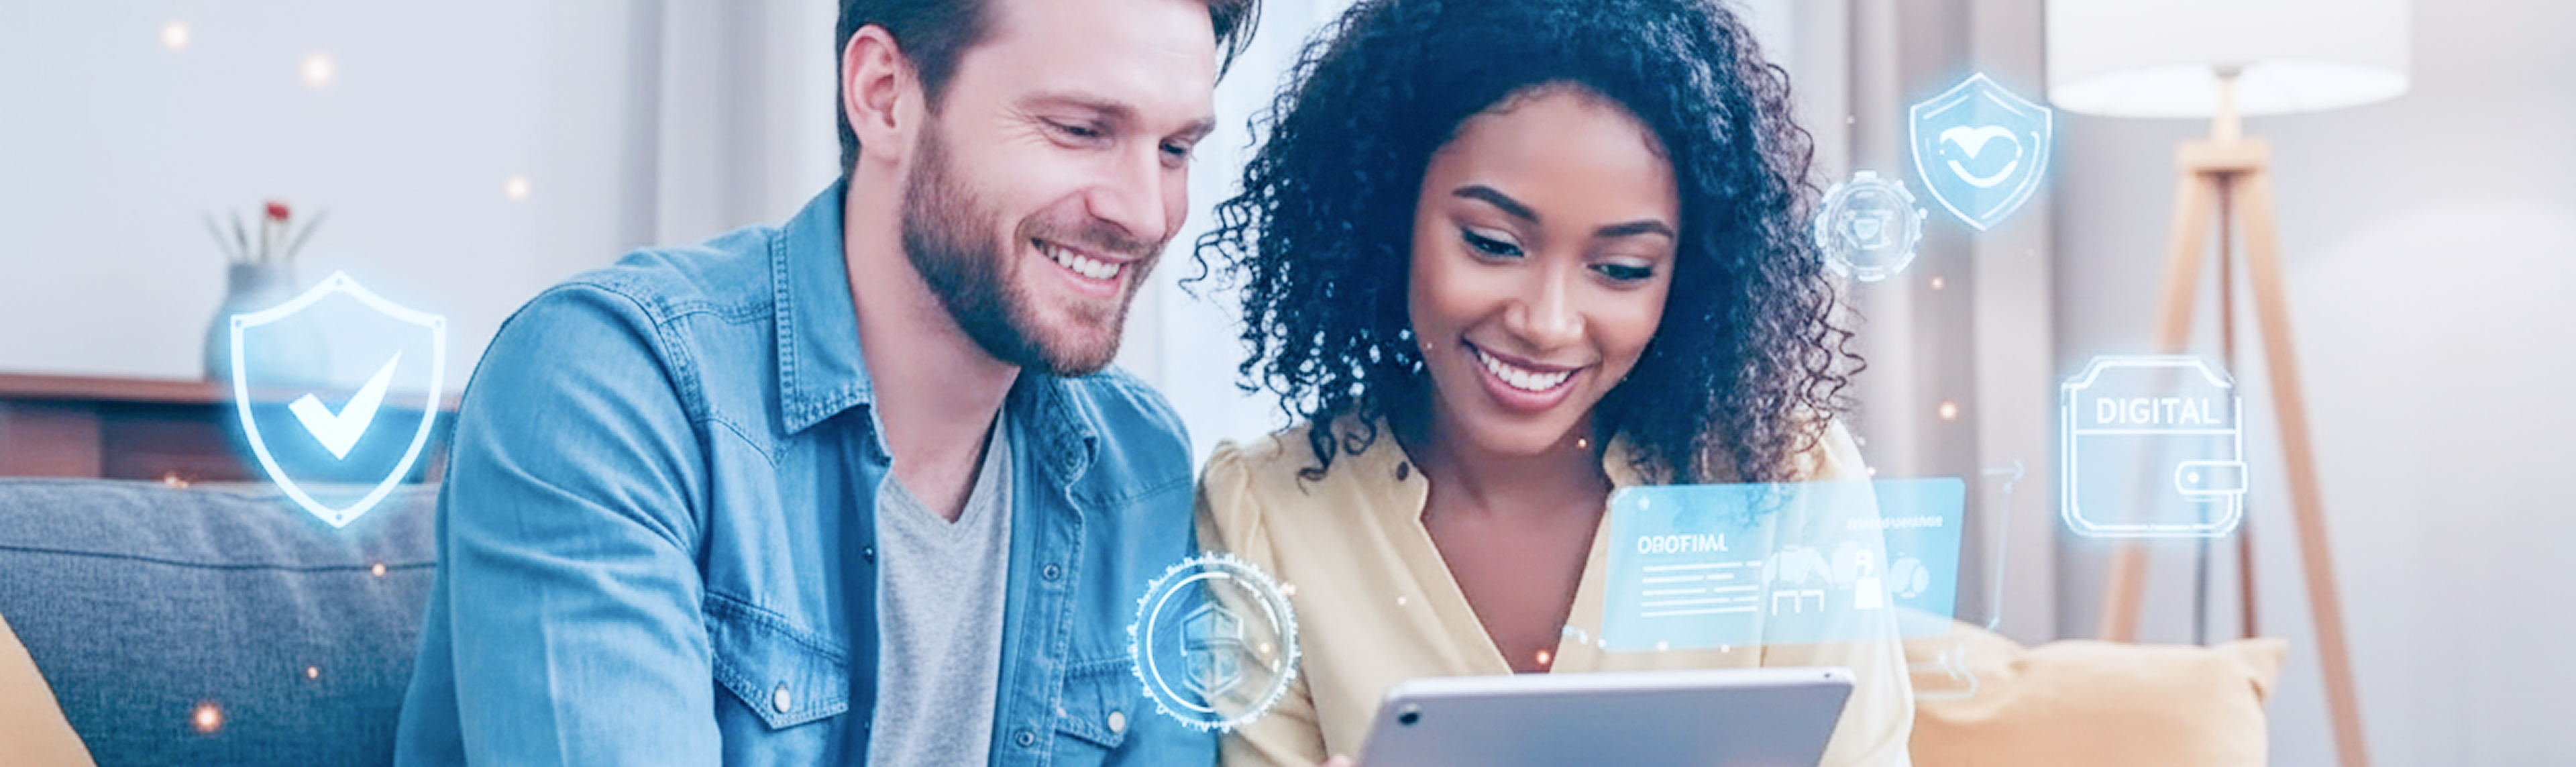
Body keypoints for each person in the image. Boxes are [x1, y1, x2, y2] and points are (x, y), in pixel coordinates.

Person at [395, 0, 1258, 764]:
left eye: (1175, 149)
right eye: (1079, 129)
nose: (1146, 213)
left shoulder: (1136, 465)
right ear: (884, 95)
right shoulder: (609, 387)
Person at [1190, 0, 1911, 765]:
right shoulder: (1267, 515)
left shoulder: (1784, 482)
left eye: (1623, 270)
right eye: (1493, 244)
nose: (1547, 323)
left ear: (1690, 278)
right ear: (1390, 213)